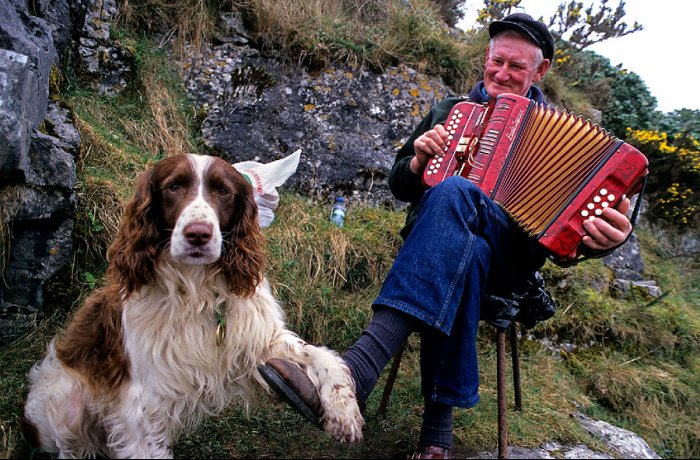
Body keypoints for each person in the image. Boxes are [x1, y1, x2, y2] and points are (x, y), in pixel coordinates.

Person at [260, 13, 634, 459]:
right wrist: (418, 163)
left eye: (516, 67)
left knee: (458, 197)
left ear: (541, 71)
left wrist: (602, 241)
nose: (502, 73)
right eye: (497, 61)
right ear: (486, 58)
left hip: (509, 263)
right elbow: (399, 183)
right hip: (439, 252)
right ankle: (437, 432)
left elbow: (567, 243)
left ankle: (359, 368)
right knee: (465, 250)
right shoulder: (447, 113)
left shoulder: (568, 140)